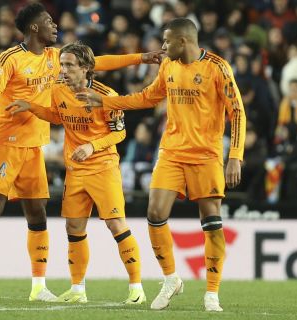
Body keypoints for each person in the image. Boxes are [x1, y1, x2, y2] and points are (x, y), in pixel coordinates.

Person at [0, 2, 162, 302]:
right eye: (49, 21)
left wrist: (141, 58)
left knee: (37, 215)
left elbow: (97, 62)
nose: (55, 25)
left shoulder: (56, 58)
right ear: (35, 27)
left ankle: (39, 287)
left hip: (35, 146)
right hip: (5, 143)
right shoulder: (10, 59)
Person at [77, 18, 246, 312]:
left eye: (167, 42)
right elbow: (148, 97)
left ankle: (212, 293)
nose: (163, 47)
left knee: (211, 220)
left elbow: (238, 112)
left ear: (183, 41)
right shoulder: (168, 66)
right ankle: (171, 279)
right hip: (171, 152)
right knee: (154, 212)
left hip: (206, 156)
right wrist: (106, 103)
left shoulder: (217, 68)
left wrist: (235, 155)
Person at [6, 41, 146, 304]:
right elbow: (59, 116)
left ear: (86, 68)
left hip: (103, 167)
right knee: (74, 227)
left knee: (116, 224)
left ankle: (136, 288)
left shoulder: (106, 94)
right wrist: (31, 107)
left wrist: (92, 146)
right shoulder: (59, 90)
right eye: (62, 64)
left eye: (69, 65)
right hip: (75, 169)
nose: (64, 70)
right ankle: (78, 290)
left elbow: (120, 132)